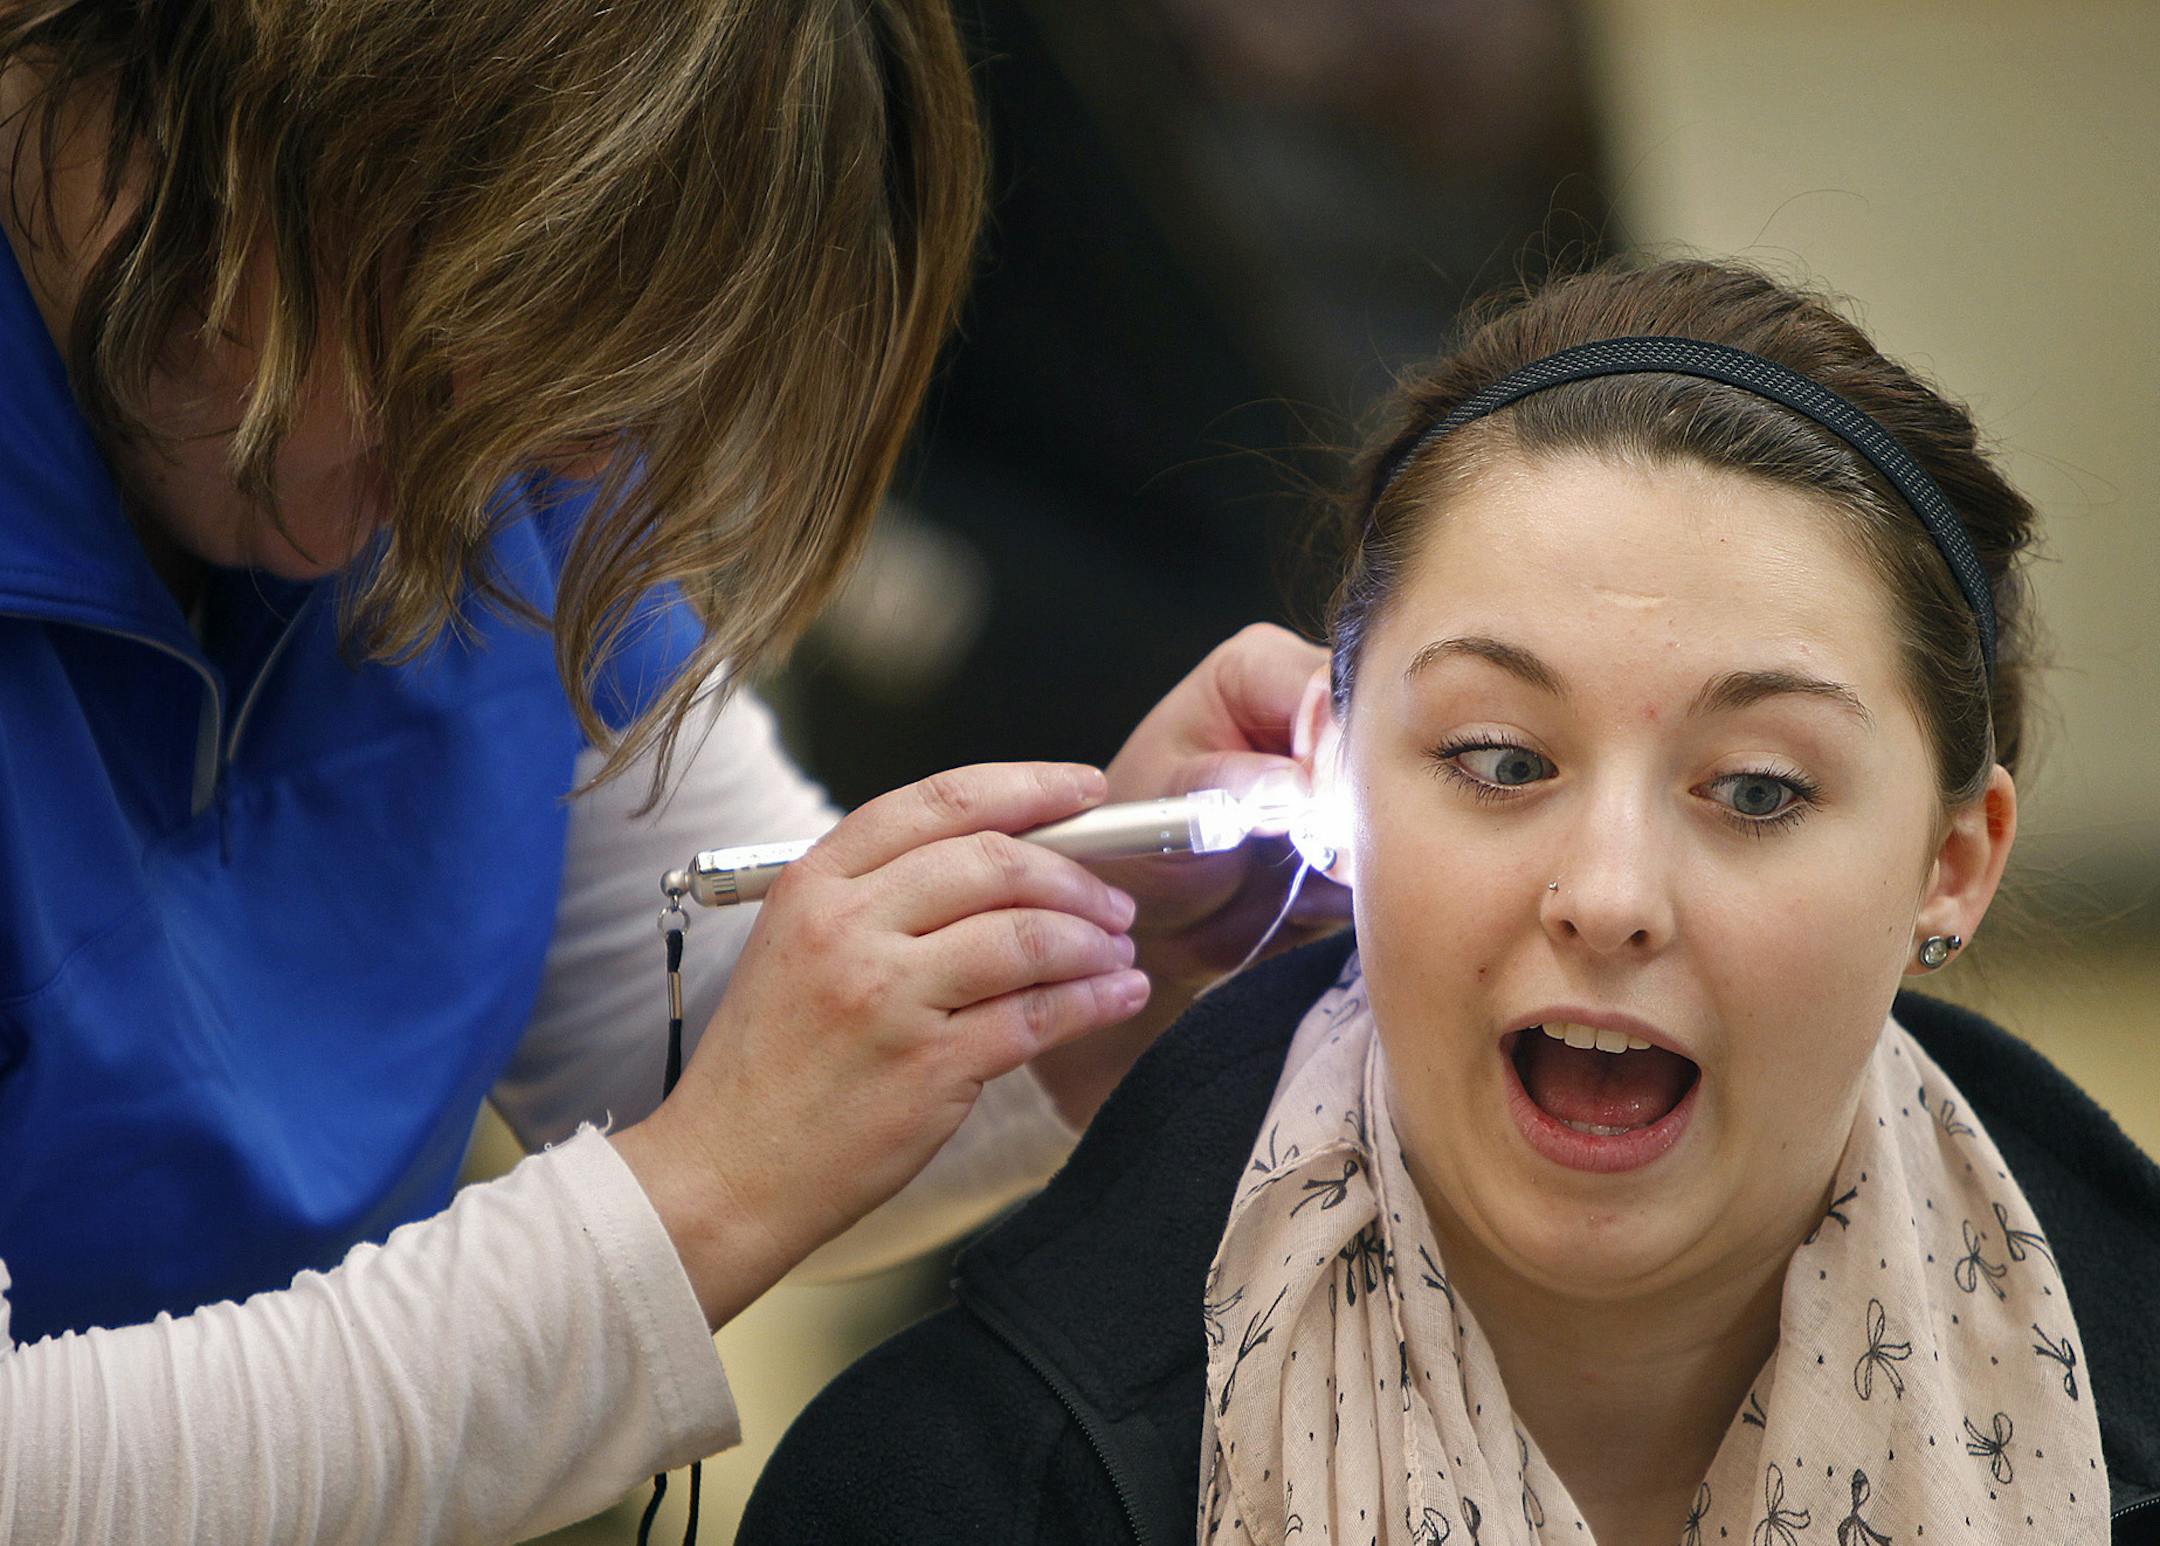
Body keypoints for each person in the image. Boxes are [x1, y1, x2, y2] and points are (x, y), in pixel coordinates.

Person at [0, 3, 1345, 1541]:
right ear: (168, 96)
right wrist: (702, 1193)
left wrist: (1111, 963)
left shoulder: (490, 451)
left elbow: (718, 1037)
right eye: (453, 357)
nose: (539, 466)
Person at [736, 259, 2160, 1544]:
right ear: (1333, 777)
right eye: (1499, 760)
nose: (1607, 898)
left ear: (1953, 863)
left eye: (1760, 790)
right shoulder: (952, 1489)